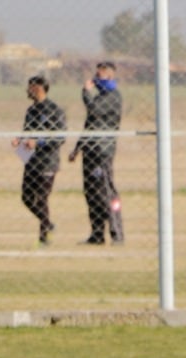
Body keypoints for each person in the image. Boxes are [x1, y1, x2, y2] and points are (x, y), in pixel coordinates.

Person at [68, 60, 124, 245]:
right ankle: (97, 234)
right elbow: (89, 125)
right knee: (91, 192)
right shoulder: (100, 97)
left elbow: (94, 109)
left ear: (109, 76)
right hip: (90, 152)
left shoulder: (113, 97)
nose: (94, 79)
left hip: (103, 152)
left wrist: (85, 91)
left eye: (99, 76)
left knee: (107, 192)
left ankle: (117, 234)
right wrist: (77, 148)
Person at [12, 75, 66, 245]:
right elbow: (27, 131)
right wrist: (20, 140)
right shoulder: (31, 111)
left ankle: (44, 237)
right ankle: (48, 223)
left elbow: (60, 138)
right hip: (31, 161)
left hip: (47, 161)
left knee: (42, 198)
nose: (28, 91)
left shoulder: (54, 110)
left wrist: (38, 142)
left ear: (38, 88)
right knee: (27, 198)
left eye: (30, 87)